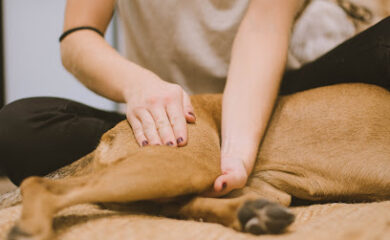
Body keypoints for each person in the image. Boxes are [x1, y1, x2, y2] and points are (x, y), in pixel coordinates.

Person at [0, 0, 389, 197]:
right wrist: (138, 86)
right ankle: (267, 177)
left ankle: (247, 172)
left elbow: (263, 28)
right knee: (19, 128)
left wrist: (236, 152)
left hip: (272, 106)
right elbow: (77, 36)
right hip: (173, 122)